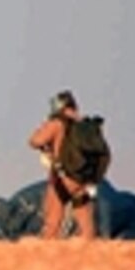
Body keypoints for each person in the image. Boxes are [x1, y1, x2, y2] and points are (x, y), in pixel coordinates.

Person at [28, 90, 97, 240]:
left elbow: (35, 141)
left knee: (53, 215)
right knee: (83, 215)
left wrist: (43, 130)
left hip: (62, 176)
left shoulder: (57, 124)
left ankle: (48, 248)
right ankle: (89, 247)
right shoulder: (84, 125)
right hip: (82, 177)